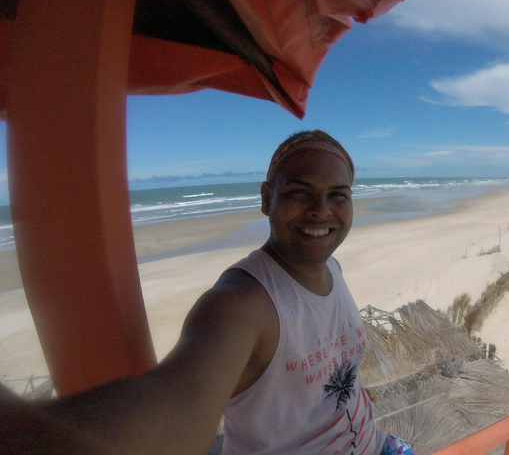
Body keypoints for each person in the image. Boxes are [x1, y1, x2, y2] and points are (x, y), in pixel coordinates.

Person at [0, 130, 414, 455]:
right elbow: (176, 407)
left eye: (337, 195)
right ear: (267, 198)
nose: (321, 209)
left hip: (375, 444)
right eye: (298, 192)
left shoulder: (333, 268)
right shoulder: (242, 303)